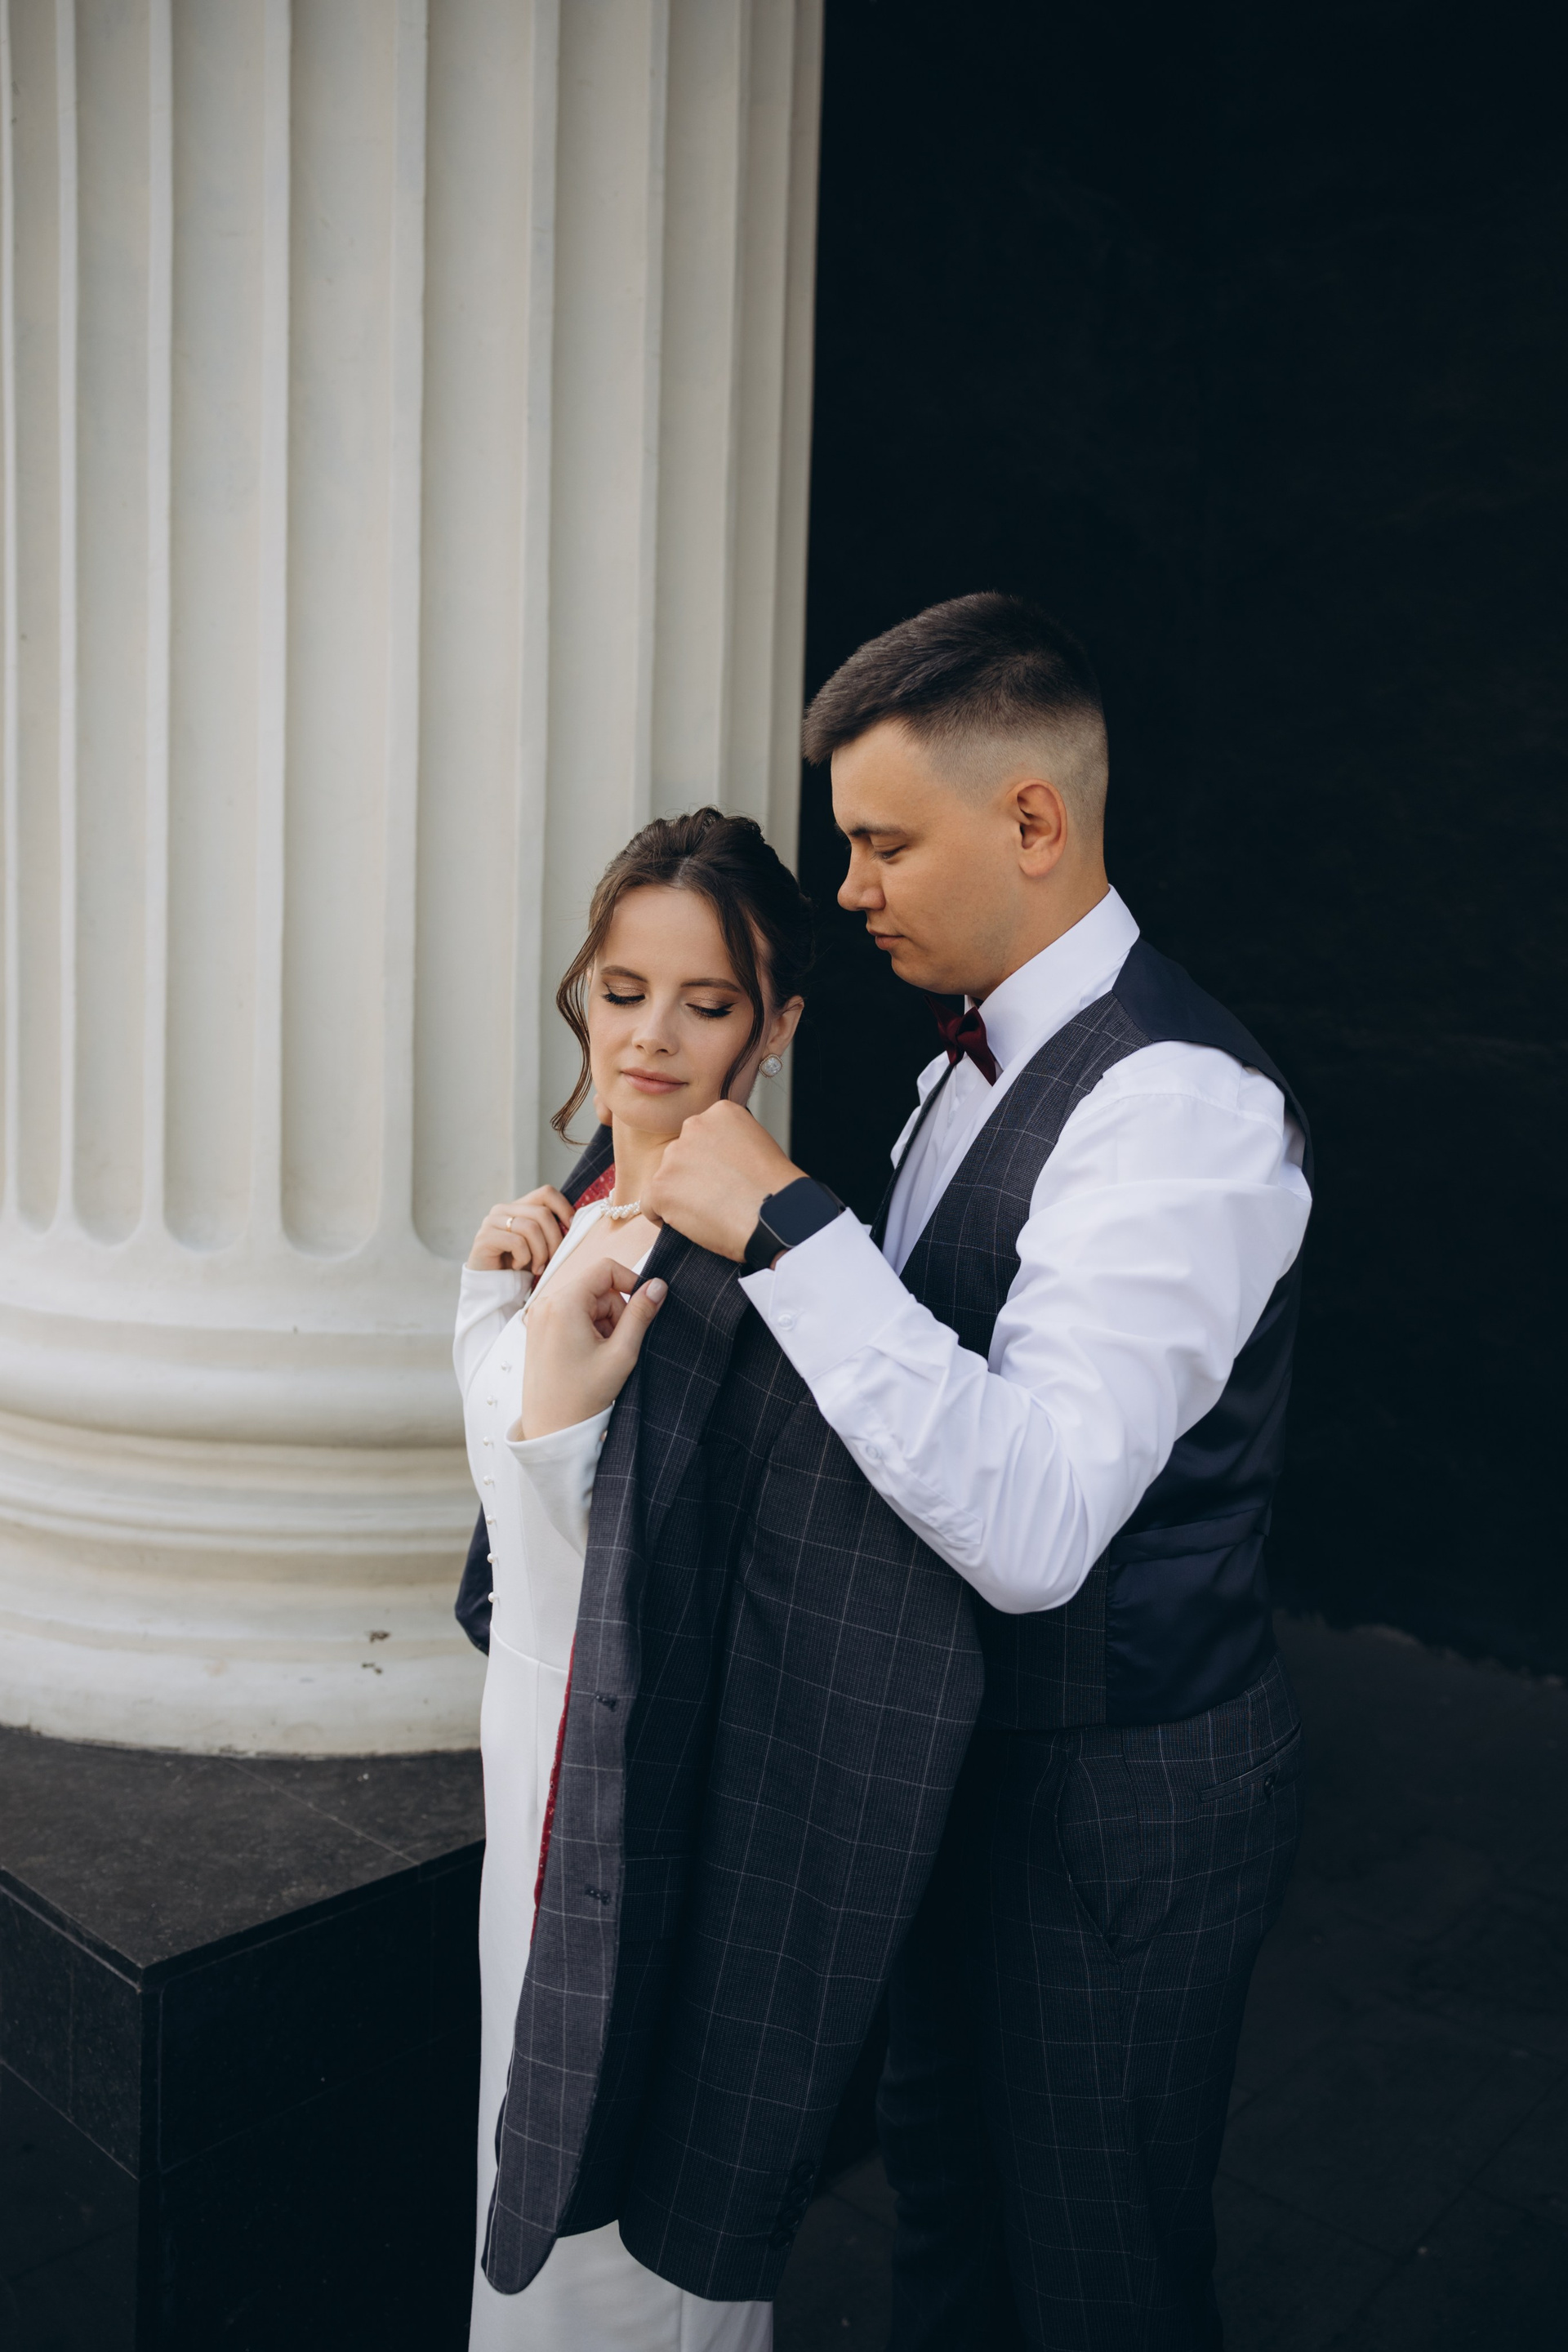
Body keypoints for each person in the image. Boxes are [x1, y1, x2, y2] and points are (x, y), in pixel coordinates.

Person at [552, 592, 1311, 2351]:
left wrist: (790, 1224)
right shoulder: (969, 1056)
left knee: (1098, 2280)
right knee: (952, 2231)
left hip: (1113, 1806)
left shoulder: (1182, 1110)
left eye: (885, 844)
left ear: (1032, 820)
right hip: (957, 1774)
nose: (853, 890)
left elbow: (1036, 1524)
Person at [453, 807, 807, 2352]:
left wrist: (545, 1394)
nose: (650, 1034)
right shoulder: (581, 1209)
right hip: (519, 1766)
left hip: (639, 1797)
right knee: (518, 2185)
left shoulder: (767, 1286)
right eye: (621, 989)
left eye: (706, 1002)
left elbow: (692, 1603)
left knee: (617, 2267)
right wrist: (496, 1299)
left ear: (774, 1029)